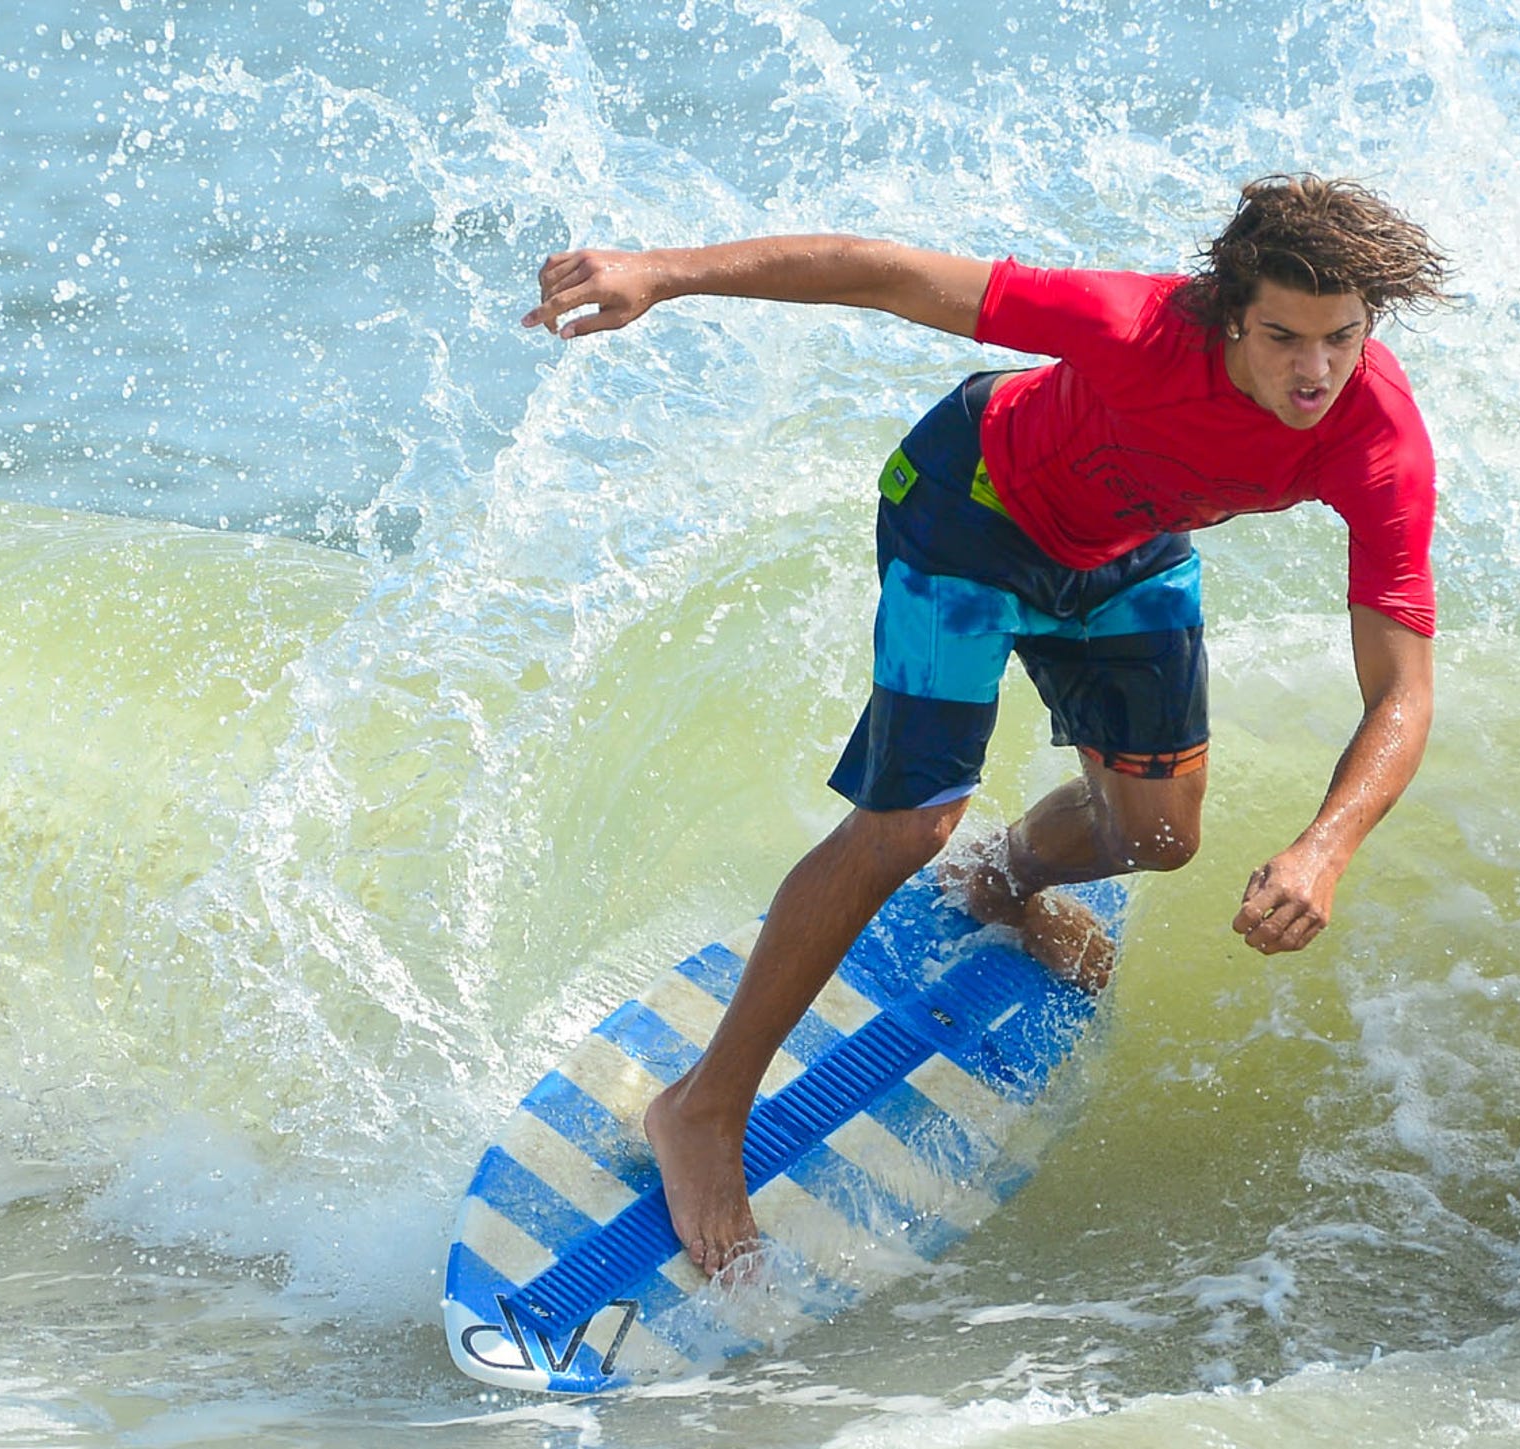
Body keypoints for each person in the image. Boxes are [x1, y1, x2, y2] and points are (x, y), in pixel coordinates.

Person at [521, 174, 1452, 1276]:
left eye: (1341, 339)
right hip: (971, 513)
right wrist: (661, 274)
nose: (1315, 371)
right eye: (1286, 336)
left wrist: (1324, 847)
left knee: (1157, 839)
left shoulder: (1379, 439)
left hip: (1124, 553)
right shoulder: (1134, 326)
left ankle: (1000, 881)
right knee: (907, 822)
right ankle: (703, 1109)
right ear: (1229, 314)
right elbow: (889, 273)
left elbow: (1402, 690)